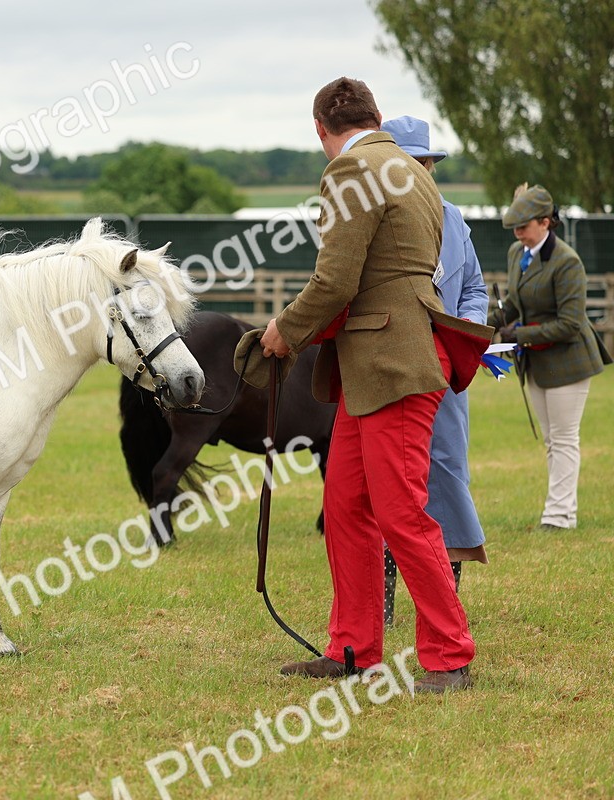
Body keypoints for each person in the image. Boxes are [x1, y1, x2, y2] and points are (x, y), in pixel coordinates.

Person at [260, 77, 492, 693]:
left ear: (319, 131)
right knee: (344, 506)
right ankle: (353, 648)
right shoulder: (414, 170)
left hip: (391, 367)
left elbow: (336, 281)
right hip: (386, 365)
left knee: (401, 512)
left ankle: (449, 654)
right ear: (378, 116)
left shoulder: (348, 170)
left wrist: (284, 332)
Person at [378, 116, 488, 626]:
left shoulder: (454, 219)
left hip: (446, 368)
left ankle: (446, 594)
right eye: (411, 163)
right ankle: (382, 598)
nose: (422, 171)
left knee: (446, 471)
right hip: (393, 366)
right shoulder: (374, 219)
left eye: (426, 163)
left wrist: (465, 327)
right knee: (393, 478)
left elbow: (475, 289)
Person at [495, 184, 611, 530]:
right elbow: (515, 301)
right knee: (552, 441)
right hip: (538, 362)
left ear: (546, 222)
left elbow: (571, 324)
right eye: (514, 228)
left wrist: (519, 334)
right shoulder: (518, 252)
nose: (518, 234)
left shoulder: (567, 262)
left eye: (524, 226)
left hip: (570, 362)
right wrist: (488, 325)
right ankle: (563, 511)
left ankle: (559, 516)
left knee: (563, 439)